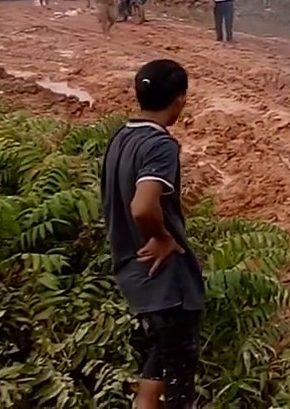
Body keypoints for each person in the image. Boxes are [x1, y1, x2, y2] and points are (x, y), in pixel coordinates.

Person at [102, 59, 201, 409]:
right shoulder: (160, 146)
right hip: (165, 283)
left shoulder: (121, 137)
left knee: (157, 364)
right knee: (178, 383)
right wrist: (161, 237)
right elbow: (143, 206)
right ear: (180, 99)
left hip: (134, 277)